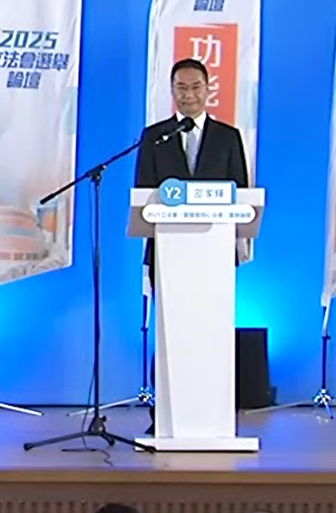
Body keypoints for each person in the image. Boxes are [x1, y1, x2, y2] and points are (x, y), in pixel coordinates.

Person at [133, 57, 250, 433]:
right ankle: (165, 415)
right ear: (172, 92)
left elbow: (241, 194)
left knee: (210, 333)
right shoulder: (155, 137)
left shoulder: (228, 137)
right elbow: (143, 196)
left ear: (208, 89)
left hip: (213, 256)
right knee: (171, 332)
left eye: (195, 87)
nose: (188, 95)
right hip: (168, 255)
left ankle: (214, 415)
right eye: (181, 88)